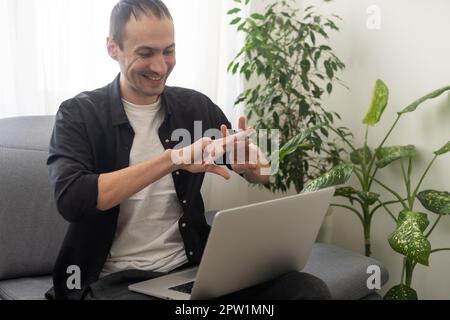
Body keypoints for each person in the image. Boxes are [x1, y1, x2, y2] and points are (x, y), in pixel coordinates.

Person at [45, 0, 332, 300]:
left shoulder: (194, 108)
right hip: (115, 281)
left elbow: (253, 167)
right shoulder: (78, 114)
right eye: (146, 53)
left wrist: (255, 166)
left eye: (168, 51)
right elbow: (72, 199)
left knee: (307, 290)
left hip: (193, 269)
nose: (160, 66)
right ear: (112, 48)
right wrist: (173, 159)